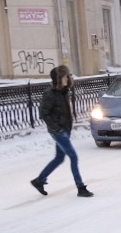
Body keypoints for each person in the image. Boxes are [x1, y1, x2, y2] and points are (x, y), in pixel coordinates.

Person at [30, 65, 92, 197]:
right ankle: (80, 187)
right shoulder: (50, 94)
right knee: (73, 157)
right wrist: (55, 128)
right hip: (58, 131)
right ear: (58, 78)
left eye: (68, 76)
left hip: (65, 128)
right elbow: (43, 113)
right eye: (65, 76)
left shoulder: (64, 91)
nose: (67, 78)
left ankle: (39, 180)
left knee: (59, 158)